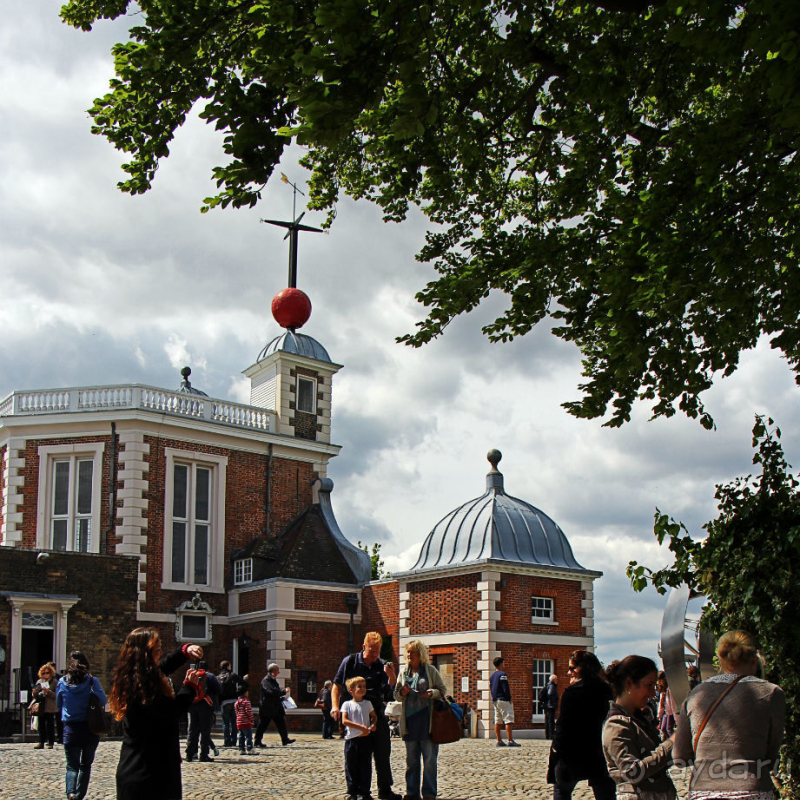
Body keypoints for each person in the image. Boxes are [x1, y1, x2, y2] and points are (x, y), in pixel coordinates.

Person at [673, 630, 785, 800]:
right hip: (752, 790)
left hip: (704, 791)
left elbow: (680, 756)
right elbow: (771, 754)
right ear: (754, 660)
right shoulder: (771, 693)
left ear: (721, 661)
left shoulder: (695, 694)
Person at [108, 628, 203, 800]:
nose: (160, 653)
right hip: (149, 774)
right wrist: (189, 687)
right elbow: (171, 713)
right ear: (145, 653)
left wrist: (184, 652)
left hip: (140, 769)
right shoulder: (144, 686)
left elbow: (162, 667)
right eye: (157, 650)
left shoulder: (136, 676)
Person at [333, 632, 401, 800]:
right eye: (372, 651)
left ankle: (385, 789)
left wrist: (392, 677)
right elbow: (337, 685)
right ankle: (356, 792)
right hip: (355, 715)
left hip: (375, 712)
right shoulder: (350, 662)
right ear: (364, 647)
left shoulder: (382, 665)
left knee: (383, 753)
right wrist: (335, 706)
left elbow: (389, 692)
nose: (374, 655)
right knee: (356, 756)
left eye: (377, 651)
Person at [602, 656, 676, 800]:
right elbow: (633, 772)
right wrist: (671, 743)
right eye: (649, 685)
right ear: (629, 683)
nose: (652, 693)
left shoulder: (638, 719)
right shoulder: (616, 724)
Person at [549, 649, 615, 800]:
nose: (568, 672)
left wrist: (555, 748)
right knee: (604, 792)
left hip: (572, 751)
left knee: (562, 791)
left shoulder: (572, 693)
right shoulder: (606, 690)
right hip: (598, 749)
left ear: (582, 669)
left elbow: (563, 726)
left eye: (572, 668)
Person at [394, 640, 448, 800]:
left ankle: (429, 793)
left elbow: (443, 690)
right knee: (411, 761)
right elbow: (396, 695)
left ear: (420, 654)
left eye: (413, 652)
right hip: (410, 723)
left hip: (428, 723)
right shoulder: (404, 672)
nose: (409, 655)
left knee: (430, 761)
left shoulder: (430, 671)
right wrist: (402, 692)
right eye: (408, 652)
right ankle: (412, 792)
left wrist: (431, 693)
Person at [56, 650, 107, 800]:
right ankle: (79, 796)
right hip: (90, 728)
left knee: (72, 766)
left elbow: (59, 704)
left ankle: (70, 793)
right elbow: (103, 701)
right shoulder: (91, 681)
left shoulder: (62, 682)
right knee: (85, 765)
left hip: (71, 728)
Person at [342, 676, 377, 800]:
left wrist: (372, 725)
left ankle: (365, 791)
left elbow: (373, 716)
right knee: (352, 766)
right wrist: (360, 727)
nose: (363, 689)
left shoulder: (367, 703)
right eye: (359, 687)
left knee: (365, 766)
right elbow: (345, 720)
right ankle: (353, 792)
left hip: (365, 739)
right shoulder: (347, 704)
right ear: (351, 690)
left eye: (364, 687)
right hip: (352, 739)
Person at [185, 660, 221, 762]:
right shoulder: (210, 676)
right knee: (205, 731)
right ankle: (203, 754)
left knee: (192, 730)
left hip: (193, 705)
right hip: (206, 704)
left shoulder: (192, 675)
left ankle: (190, 754)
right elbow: (219, 690)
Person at [254, 663, 296, 747]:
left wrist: (282, 698)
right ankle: (257, 740)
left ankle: (285, 739)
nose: (278, 673)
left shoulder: (272, 680)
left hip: (275, 707)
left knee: (281, 723)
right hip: (267, 708)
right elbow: (270, 692)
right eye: (277, 671)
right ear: (273, 672)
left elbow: (274, 693)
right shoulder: (266, 680)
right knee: (263, 724)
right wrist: (283, 691)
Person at [490, 656, 519, 747]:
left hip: (495, 700)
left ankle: (499, 740)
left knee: (498, 720)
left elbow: (491, 688)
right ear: (501, 663)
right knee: (508, 719)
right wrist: (509, 698)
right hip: (503, 699)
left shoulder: (492, 676)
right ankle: (510, 740)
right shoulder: (502, 675)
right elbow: (505, 688)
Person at [218, 660, 243, 748]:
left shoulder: (218, 677)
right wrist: (238, 692)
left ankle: (227, 741)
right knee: (234, 722)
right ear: (228, 666)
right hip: (233, 700)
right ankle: (233, 741)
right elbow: (242, 683)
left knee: (225, 723)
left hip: (224, 702)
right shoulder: (232, 675)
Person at [32, 662, 58, 749]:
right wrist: (35, 693)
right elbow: (35, 695)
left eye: (47, 673)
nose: (45, 675)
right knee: (41, 725)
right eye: (43, 673)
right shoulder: (39, 681)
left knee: (50, 725)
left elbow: (56, 695)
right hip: (41, 706)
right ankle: (41, 741)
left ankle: (51, 742)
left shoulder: (54, 682)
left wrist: (48, 692)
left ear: (51, 673)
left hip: (50, 707)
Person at [235, 686, 255, 755]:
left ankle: (241, 749)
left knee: (241, 736)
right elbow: (248, 712)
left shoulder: (237, 702)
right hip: (246, 721)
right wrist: (251, 719)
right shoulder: (246, 702)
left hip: (239, 722)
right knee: (248, 736)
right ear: (245, 693)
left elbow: (237, 712)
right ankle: (250, 748)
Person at [543, 674, 559, 740]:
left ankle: (548, 736)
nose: (557, 680)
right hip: (550, 706)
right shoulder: (552, 686)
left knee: (548, 721)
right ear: (554, 680)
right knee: (551, 722)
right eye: (557, 679)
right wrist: (553, 702)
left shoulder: (548, 685)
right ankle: (551, 736)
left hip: (548, 705)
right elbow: (550, 694)